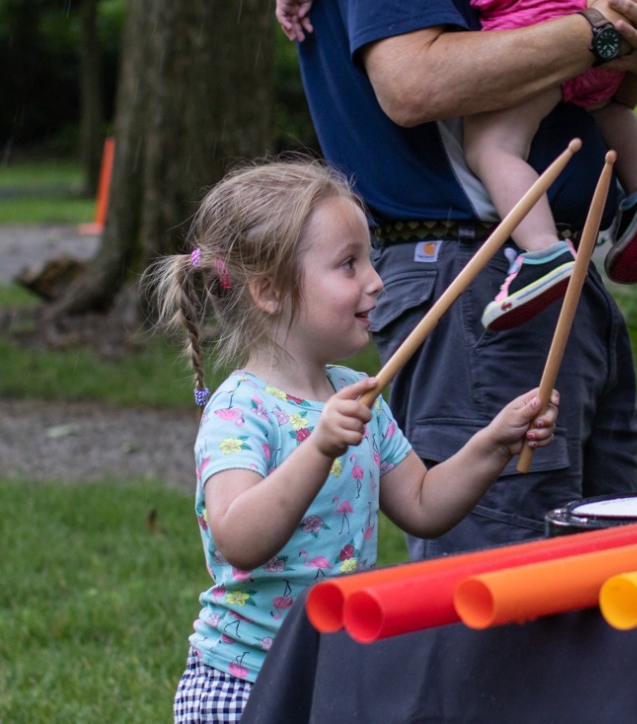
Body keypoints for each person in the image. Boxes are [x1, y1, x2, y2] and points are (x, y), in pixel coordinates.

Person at [144, 157, 558, 722]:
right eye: (348, 264)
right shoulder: (240, 410)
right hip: (244, 683)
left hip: (335, 673)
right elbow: (237, 536)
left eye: (368, 258)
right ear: (269, 291)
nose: (377, 279)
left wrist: (494, 442)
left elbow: (422, 503)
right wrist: (317, 449)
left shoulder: (356, 394)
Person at [275, 0, 637, 561]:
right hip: (481, 271)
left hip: (545, 265)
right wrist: (599, 32)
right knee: (505, 576)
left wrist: (633, 43)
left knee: (597, 566)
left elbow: (595, 82)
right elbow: (414, 82)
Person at [275, 0, 637, 332]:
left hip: (520, 262)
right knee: (608, 107)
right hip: (471, 261)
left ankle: (544, 252)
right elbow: (414, 85)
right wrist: (610, 31)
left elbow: (415, 86)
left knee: (493, 147)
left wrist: (628, 44)